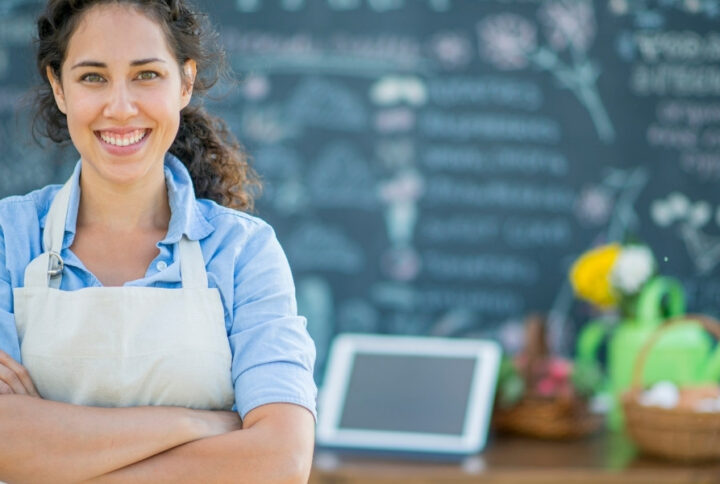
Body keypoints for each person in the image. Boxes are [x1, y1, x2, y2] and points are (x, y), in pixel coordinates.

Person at [0, 0, 317, 482]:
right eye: (93, 77)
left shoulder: (242, 251)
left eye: (146, 75)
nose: (121, 107)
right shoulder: (9, 238)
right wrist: (200, 424)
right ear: (58, 87)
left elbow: (280, 461)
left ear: (185, 83)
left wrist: (51, 453)